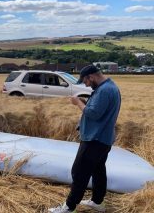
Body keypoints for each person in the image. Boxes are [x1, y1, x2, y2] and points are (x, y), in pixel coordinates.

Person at [48, 65, 121, 213]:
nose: (86, 85)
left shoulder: (104, 90)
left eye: (86, 81)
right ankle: (97, 202)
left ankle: (69, 207)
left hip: (95, 139)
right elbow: (100, 110)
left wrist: (78, 103)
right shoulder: (110, 87)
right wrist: (85, 102)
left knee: (79, 171)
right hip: (103, 139)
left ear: (91, 77)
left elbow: (94, 114)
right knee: (98, 170)